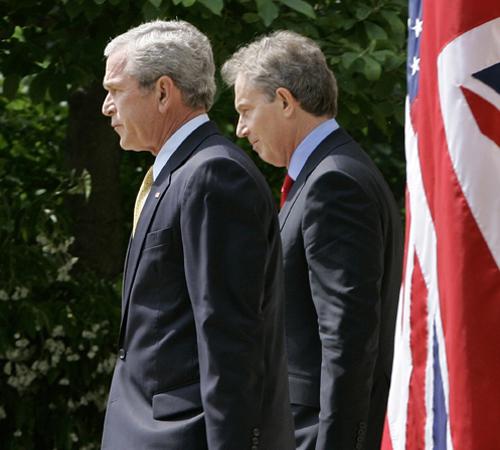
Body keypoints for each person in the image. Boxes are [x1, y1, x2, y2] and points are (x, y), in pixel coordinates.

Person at [100, 20, 294, 450]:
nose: (106, 107)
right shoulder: (179, 173)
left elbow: (231, 342)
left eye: (115, 90)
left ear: (163, 92)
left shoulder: (212, 175)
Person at [222, 31, 403, 450]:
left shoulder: (334, 182)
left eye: (246, 110)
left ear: (285, 102)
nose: (240, 129)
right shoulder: (328, 173)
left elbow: (348, 339)